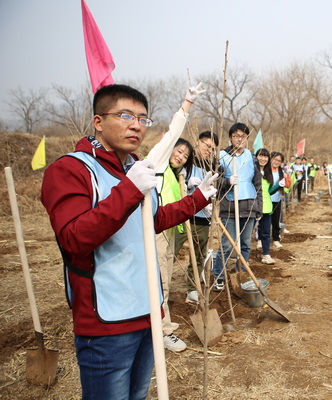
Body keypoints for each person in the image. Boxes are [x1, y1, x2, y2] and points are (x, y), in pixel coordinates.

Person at [40, 83, 217, 399]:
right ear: (98, 121)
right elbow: (73, 238)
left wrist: (198, 198)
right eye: (125, 115)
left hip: (147, 311)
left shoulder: (135, 169)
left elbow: (154, 220)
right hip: (107, 324)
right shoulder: (71, 169)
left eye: (143, 118)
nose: (136, 125)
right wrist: (128, 191)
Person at [155, 137, 195, 352]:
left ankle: (164, 321)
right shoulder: (158, 164)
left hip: (169, 231)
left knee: (166, 279)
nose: (180, 156)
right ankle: (163, 332)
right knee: (160, 281)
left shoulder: (172, 173)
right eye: (178, 151)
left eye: (185, 156)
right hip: (157, 231)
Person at [213, 122, 262, 291]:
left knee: (246, 244)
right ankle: (218, 276)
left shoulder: (251, 156)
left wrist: (259, 207)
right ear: (230, 138)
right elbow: (214, 181)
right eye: (236, 136)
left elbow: (257, 184)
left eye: (243, 136)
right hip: (229, 207)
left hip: (248, 207)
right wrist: (227, 181)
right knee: (226, 245)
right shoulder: (221, 156)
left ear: (247, 138)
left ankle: (241, 273)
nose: (239, 139)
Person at [182, 131, 219, 304]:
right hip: (182, 215)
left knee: (198, 256)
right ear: (198, 142)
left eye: (213, 149)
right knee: (170, 253)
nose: (209, 151)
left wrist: (211, 203)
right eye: (207, 146)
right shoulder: (185, 161)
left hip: (203, 216)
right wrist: (187, 185)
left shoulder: (209, 167)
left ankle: (192, 289)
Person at [256, 148, 286, 264]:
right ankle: (243, 257)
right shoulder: (253, 171)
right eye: (260, 156)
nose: (263, 159)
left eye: (265, 157)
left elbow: (268, 191)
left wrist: (279, 185)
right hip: (254, 206)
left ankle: (266, 254)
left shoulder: (269, 173)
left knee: (266, 231)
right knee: (248, 234)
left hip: (267, 205)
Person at [270, 152, 288, 248]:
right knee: (263, 221)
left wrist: (287, 180)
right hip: (265, 199)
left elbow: (287, 186)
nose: (276, 162)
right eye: (275, 159)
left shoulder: (281, 172)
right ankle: (260, 239)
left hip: (276, 199)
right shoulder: (266, 170)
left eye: (279, 161)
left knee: (276, 220)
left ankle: (276, 238)